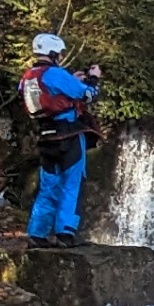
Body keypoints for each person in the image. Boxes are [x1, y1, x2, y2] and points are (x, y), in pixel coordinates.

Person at [19, 34, 102, 248]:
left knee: (48, 185)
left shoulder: (28, 77)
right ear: (53, 53)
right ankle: (65, 233)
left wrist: (72, 79)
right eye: (60, 53)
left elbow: (50, 92)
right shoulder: (55, 73)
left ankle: (37, 234)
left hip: (46, 137)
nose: (62, 57)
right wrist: (93, 78)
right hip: (69, 136)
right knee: (71, 183)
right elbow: (88, 95)